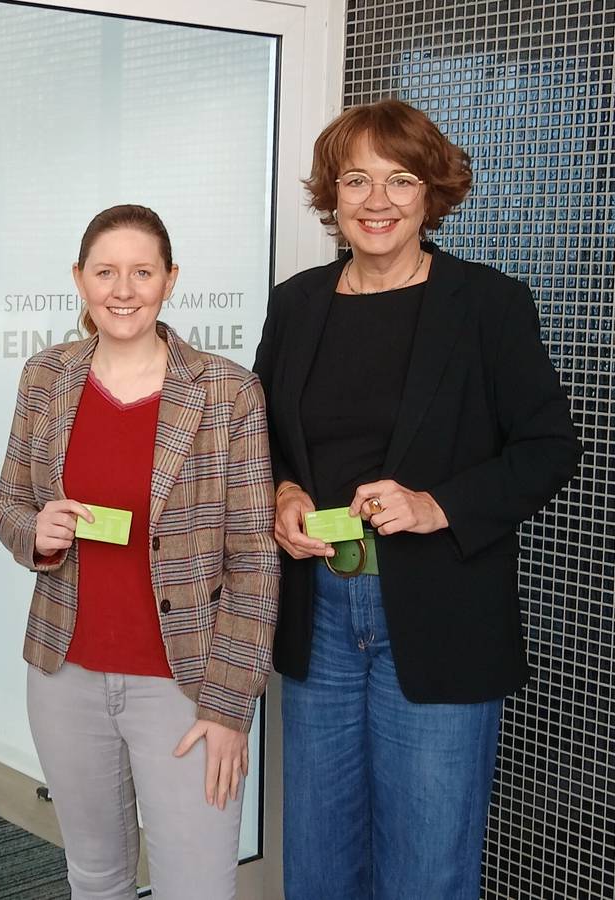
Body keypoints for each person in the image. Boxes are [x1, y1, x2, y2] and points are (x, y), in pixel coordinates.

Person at [252, 99, 582, 899]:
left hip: (439, 613)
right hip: (320, 609)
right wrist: (282, 492)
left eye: (401, 180)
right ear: (331, 195)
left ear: (433, 193)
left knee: (427, 867)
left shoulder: (489, 304)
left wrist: (437, 504)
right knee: (320, 860)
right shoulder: (297, 302)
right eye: (356, 179)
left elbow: (549, 450)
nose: (377, 201)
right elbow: (258, 437)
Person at [0, 204, 279, 900]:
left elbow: (255, 560)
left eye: (142, 272)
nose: (123, 290)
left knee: (197, 887)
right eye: (106, 272)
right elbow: (8, 504)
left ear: (170, 280)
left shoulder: (226, 390)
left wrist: (228, 706)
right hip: (66, 679)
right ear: (80, 279)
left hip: (185, 689)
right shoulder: (46, 377)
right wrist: (38, 532)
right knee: (95, 879)